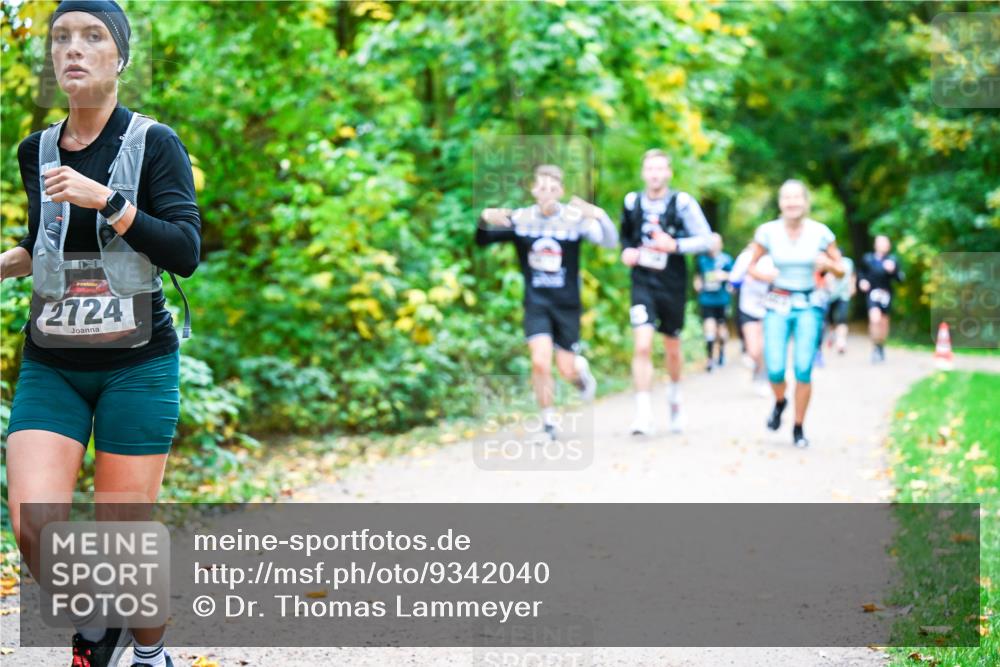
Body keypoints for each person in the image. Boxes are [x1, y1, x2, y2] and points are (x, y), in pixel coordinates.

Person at [0, 2, 201, 666]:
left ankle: (150, 655)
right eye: (61, 38)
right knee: (33, 521)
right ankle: (96, 622)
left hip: (137, 364)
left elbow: (184, 250)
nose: (73, 49)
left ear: (120, 57)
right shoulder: (38, 149)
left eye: (92, 37)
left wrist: (107, 200)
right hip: (52, 362)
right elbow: (44, 245)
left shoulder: (154, 143)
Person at [476, 164, 617, 442]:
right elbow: (482, 239)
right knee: (540, 361)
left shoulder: (575, 220)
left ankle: (580, 375)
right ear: (533, 190)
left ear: (561, 191)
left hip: (567, 305)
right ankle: (548, 424)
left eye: (553, 189)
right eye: (542, 188)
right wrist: (483, 218)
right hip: (536, 303)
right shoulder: (522, 219)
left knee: (565, 368)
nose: (547, 193)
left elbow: (611, 243)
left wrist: (599, 215)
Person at [746, 180, 845, 448]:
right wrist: (763, 274)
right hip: (778, 302)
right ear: (780, 203)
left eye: (797, 198)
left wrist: (829, 266)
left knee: (803, 368)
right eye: (786, 198)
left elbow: (841, 268)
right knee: (775, 368)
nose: (792, 203)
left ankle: (798, 428)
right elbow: (750, 266)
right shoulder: (767, 232)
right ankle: (780, 401)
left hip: (809, 304)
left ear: (805, 202)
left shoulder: (820, 232)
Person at [620, 149, 712, 435]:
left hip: (672, 283)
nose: (655, 174)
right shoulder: (632, 202)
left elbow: (707, 239)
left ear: (669, 173)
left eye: (660, 169)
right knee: (643, 345)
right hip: (642, 282)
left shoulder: (681, 203)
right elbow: (625, 237)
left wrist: (676, 246)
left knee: (672, 346)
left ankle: (674, 398)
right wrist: (627, 252)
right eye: (650, 169)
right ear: (643, 172)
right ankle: (643, 414)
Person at [729, 243, 777, 394]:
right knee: (753, 350)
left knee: (764, 347)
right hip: (748, 308)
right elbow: (733, 280)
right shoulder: (745, 258)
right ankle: (757, 370)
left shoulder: (773, 258)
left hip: (768, 308)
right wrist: (747, 274)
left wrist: (757, 275)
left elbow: (780, 279)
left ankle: (763, 378)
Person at [857, 235, 903, 363]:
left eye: (885, 243)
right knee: (874, 319)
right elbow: (861, 273)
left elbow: (900, 279)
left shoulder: (892, 260)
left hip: (886, 294)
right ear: (875, 245)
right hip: (872, 293)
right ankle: (875, 347)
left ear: (888, 246)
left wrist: (893, 270)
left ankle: (880, 346)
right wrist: (862, 281)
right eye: (880, 243)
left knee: (883, 323)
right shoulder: (868, 259)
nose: (882, 245)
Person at [693, 233, 733, 372]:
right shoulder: (701, 259)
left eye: (716, 242)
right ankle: (710, 359)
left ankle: (721, 352)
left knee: (720, 330)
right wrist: (697, 284)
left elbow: (734, 278)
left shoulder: (727, 259)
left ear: (720, 244)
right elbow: (697, 276)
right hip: (706, 299)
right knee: (709, 327)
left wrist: (724, 276)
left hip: (722, 299)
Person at [823, 255, 855, 355]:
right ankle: (832, 335)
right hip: (830, 296)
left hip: (844, 295)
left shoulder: (848, 262)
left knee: (842, 318)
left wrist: (853, 286)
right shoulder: (827, 262)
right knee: (830, 319)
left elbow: (852, 275)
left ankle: (841, 342)